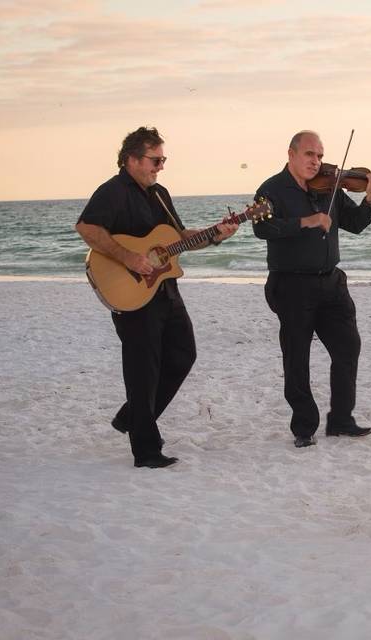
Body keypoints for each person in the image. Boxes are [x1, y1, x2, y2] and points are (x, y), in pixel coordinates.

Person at [75, 126, 239, 468]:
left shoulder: (160, 193)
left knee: (183, 355)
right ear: (132, 159)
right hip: (130, 292)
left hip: (165, 289)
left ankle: (132, 418)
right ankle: (146, 451)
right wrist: (129, 258)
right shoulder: (113, 191)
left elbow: (179, 238)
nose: (160, 166)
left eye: (163, 160)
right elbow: (87, 228)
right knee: (142, 371)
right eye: (155, 159)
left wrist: (216, 235)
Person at [253, 131, 371, 448]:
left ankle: (341, 419)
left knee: (348, 346)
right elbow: (261, 227)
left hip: (331, 283)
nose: (317, 162)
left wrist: (370, 198)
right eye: (310, 154)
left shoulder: (331, 184)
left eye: (320, 155)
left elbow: (355, 223)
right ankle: (304, 427)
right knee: (297, 357)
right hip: (291, 285)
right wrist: (306, 221)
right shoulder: (271, 190)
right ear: (291, 154)